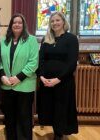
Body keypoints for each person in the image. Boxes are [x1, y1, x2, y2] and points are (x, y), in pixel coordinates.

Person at [37, 11, 79, 140]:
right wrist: (42, 77)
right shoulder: (46, 39)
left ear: (63, 22)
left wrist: (58, 79)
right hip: (46, 81)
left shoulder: (71, 39)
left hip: (63, 81)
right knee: (50, 107)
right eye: (52, 21)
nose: (55, 23)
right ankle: (56, 131)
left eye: (57, 20)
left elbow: (72, 62)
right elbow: (41, 59)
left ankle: (59, 134)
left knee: (61, 108)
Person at [0, 13, 39, 140]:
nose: (16, 24)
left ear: (24, 25)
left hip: (24, 85)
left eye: (19, 22)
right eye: (14, 22)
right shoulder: (4, 41)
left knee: (24, 118)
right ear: (11, 25)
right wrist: (2, 76)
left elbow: (33, 62)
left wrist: (19, 77)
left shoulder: (31, 40)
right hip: (7, 85)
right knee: (9, 117)